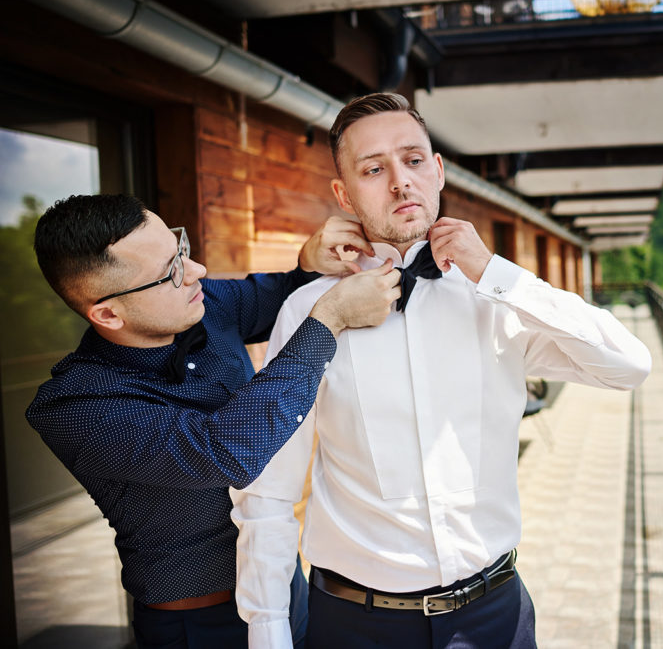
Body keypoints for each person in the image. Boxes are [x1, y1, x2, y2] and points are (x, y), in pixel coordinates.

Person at [231, 93, 652, 648]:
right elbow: (268, 490)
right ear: (344, 194)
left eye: (412, 160)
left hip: (495, 615)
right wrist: (268, 631)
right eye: (374, 169)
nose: (400, 182)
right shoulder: (307, 311)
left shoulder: (497, 299)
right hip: (357, 625)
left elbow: (628, 366)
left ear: (438, 170)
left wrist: (498, 275)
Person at [26, 194, 401, 648]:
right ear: (108, 313)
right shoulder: (74, 407)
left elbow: (282, 294)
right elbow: (223, 451)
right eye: (171, 271)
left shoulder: (203, 302)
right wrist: (330, 320)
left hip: (282, 585)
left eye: (180, 250)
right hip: (198, 627)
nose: (197, 271)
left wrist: (309, 263)